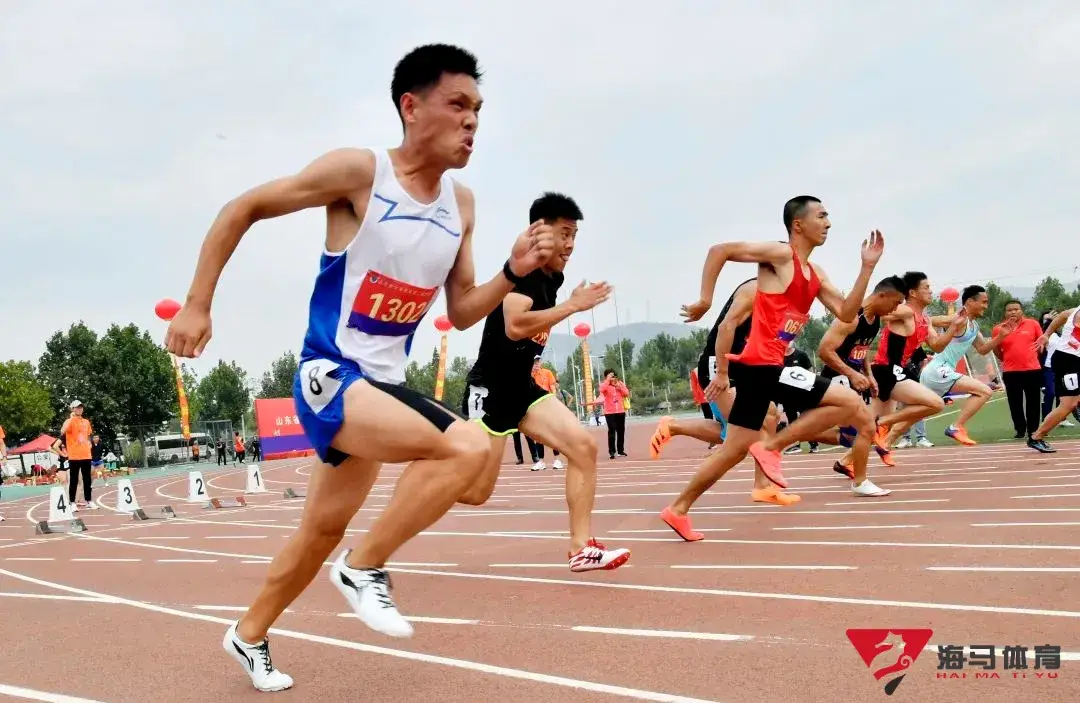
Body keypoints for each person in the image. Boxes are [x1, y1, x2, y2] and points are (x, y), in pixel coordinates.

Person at [164, 44, 556, 692]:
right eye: (458, 104)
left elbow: (462, 310)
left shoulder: (461, 205)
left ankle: (249, 633)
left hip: (383, 387)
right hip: (330, 374)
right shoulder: (359, 173)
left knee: (320, 531)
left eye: (478, 109)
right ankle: (365, 566)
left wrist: (513, 272)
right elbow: (243, 208)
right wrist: (197, 303)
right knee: (465, 448)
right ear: (411, 106)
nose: (472, 121)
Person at [661, 196, 884, 540]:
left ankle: (677, 509)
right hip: (761, 366)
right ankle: (772, 446)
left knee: (734, 449)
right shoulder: (781, 256)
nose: (828, 223)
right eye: (821, 216)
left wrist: (866, 269)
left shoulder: (815, 273)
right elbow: (720, 250)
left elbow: (846, 314)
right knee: (849, 402)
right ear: (798, 224)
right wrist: (705, 300)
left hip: (767, 367)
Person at [458, 192, 630, 571]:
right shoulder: (526, 275)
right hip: (490, 391)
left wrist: (568, 302)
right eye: (564, 234)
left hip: (523, 389)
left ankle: (580, 548)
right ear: (539, 233)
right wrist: (572, 306)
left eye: (574, 236)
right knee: (474, 492)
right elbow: (515, 325)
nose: (570, 245)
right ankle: (423, 469)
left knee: (583, 448)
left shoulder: (553, 277)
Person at [651, 276, 802, 506]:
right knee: (750, 428)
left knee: (763, 419)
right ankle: (680, 506)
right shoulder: (755, 289)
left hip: (744, 363)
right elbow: (726, 327)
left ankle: (762, 485)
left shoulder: (784, 295)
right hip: (719, 362)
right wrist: (722, 373)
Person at [817, 275, 907, 496]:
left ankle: (792, 433)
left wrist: (869, 375)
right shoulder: (851, 317)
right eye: (896, 302)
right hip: (836, 379)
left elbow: (862, 348)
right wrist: (850, 373)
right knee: (866, 428)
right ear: (882, 295)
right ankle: (860, 481)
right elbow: (824, 351)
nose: (895, 309)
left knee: (853, 435)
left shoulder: (874, 320)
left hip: (854, 381)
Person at [869, 272, 963, 449]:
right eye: (926, 287)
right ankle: (877, 425)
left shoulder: (925, 320)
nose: (931, 291)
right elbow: (877, 309)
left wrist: (953, 327)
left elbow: (937, 346)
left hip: (897, 372)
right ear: (912, 293)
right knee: (934, 403)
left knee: (876, 431)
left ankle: (878, 428)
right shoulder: (905, 311)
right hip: (884, 370)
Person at [918, 285, 1012, 445]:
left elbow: (982, 349)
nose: (986, 306)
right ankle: (955, 427)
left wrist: (1000, 337)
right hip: (939, 370)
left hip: (937, 372)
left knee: (918, 411)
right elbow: (928, 320)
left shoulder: (974, 326)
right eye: (983, 302)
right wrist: (948, 322)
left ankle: (886, 433)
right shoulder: (959, 319)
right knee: (984, 391)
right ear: (969, 302)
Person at [1030, 306, 1080, 452]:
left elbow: (1062, 315)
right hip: (1068, 361)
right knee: (1068, 404)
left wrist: (1046, 334)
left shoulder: (1075, 310)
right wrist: (1046, 334)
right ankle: (1036, 437)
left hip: (1070, 359)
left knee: (1070, 403)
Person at [993, 300, 1045, 441]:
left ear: (1021, 311)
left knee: (1033, 402)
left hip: (1032, 370)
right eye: (1009, 310)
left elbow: (1040, 343)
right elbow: (996, 349)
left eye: (1016, 309)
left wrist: (1032, 356)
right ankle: (1020, 430)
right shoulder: (998, 329)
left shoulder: (1033, 324)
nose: (1013, 312)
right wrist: (1006, 359)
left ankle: (1033, 429)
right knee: (1014, 403)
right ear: (1005, 313)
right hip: (1011, 372)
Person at [526, 356, 563, 470]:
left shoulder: (547, 373)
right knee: (538, 435)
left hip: (548, 406)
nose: (536, 364)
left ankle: (557, 460)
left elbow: (553, 388)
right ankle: (541, 461)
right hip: (535, 408)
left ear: (541, 362)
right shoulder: (529, 376)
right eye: (534, 362)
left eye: (538, 361)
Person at [59, 401, 96, 510]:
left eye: (81, 407)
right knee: (74, 480)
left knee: (87, 479)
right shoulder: (69, 421)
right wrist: (71, 418)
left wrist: (89, 443)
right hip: (74, 455)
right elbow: (62, 431)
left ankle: (89, 501)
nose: (80, 409)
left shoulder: (86, 422)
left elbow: (88, 435)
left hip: (86, 454)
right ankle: (72, 503)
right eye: (77, 407)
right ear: (72, 409)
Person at [590, 370, 630, 459]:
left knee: (621, 431)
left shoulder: (620, 383)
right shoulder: (605, 385)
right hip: (610, 412)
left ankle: (620, 451)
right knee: (612, 431)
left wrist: (619, 387)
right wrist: (608, 380)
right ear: (606, 377)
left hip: (620, 411)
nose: (613, 378)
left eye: (614, 376)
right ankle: (612, 452)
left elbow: (627, 393)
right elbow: (601, 390)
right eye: (610, 376)